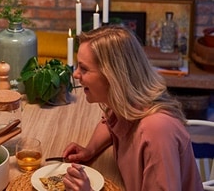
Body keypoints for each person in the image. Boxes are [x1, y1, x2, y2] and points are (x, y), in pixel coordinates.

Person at [61, 25, 203, 191]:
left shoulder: (156, 131)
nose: (76, 74)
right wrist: (90, 150)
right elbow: (110, 122)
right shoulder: (125, 106)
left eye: (84, 68)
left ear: (112, 76)